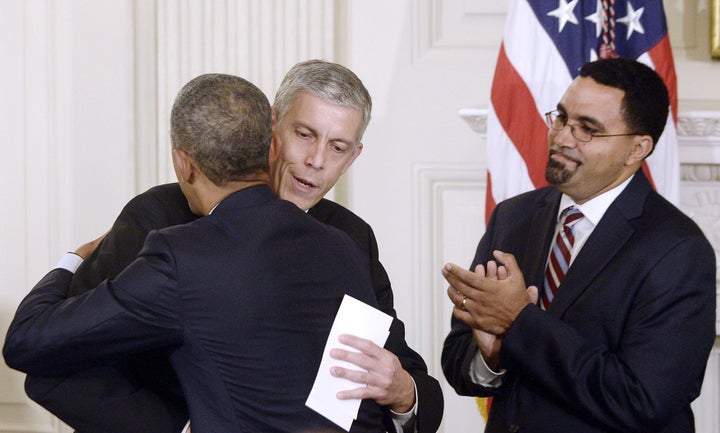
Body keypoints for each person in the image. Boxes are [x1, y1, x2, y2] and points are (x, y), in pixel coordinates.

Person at [22, 60, 443, 433]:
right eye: (305, 134)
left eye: (337, 147)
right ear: (272, 129)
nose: (317, 160)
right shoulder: (158, 218)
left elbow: (406, 379)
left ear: (353, 157)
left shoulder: (351, 238)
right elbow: (58, 362)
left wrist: (405, 392)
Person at [441, 57, 716, 433]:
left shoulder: (678, 250)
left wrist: (519, 323)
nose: (562, 137)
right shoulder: (513, 217)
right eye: (562, 118)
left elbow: (644, 400)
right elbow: (458, 358)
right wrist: (492, 357)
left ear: (637, 148)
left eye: (587, 129)